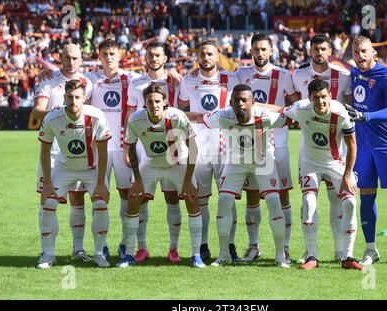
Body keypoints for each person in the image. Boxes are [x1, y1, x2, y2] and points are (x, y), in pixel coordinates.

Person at [262, 79, 363, 270]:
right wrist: (254, 104)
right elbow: (279, 110)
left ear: (330, 96)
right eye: (316, 98)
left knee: (350, 202)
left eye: (324, 97)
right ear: (309, 98)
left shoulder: (341, 113)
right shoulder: (301, 108)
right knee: (308, 203)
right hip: (310, 163)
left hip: (337, 163)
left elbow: (353, 145)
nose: (321, 101)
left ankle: (347, 256)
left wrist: (348, 175)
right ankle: (311, 256)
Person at [187, 84, 290, 268]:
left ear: (252, 102)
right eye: (236, 100)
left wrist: (263, 105)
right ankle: (223, 253)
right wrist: (170, 113)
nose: (240, 104)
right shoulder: (223, 115)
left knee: (274, 201)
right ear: (230, 102)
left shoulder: (265, 115)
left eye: (244, 100)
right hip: (235, 162)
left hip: (262, 161)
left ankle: (280, 255)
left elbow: (285, 115)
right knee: (224, 200)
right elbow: (198, 117)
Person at [346, 36, 387, 267]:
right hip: (364, 146)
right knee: (366, 194)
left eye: (364, 51)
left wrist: (365, 116)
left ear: (373, 52)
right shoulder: (354, 74)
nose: (360, 56)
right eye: (356, 52)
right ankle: (370, 249)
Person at [120, 85, 204, 268]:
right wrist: (138, 180)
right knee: (133, 198)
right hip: (151, 163)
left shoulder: (177, 117)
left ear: (165, 102)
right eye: (149, 102)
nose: (154, 105)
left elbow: (193, 148)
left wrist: (188, 181)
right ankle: (130, 254)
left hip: (178, 163)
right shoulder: (135, 119)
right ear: (144, 103)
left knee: (191, 199)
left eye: (157, 101)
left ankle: (195, 254)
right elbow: (131, 149)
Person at [235, 33, 297, 262]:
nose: (259, 54)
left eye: (263, 49)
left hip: (278, 146)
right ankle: (253, 246)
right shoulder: (240, 74)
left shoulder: (283, 75)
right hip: (250, 146)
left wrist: (257, 104)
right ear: (250, 51)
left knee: (282, 197)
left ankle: (286, 247)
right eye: (256, 49)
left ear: (271, 51)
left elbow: (291, 109)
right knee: (252, 197)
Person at [37, 79, 111, 269]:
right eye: (70, 97)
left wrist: (102, 182)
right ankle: (48, 255)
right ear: (64, 97)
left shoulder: (96, 116)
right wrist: (47, 184)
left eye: (77, 97)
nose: (73, 101)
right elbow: (44, 152)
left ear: (84, 98)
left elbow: (103, 152)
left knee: (101, 202)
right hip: (65, 167)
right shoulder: (52, 117)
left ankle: (98, 254)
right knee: (49, 202)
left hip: (92, 168)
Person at [292, 33, 353, 263]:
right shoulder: (298, 75)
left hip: (337, 148)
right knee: (309, 200)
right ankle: (310, 253)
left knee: (338, 200)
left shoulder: (343, 76)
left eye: (323, 49)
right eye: (315, 49)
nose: (319, 53)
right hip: (311, 146)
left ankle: (341, 253)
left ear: (330, 51)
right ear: (310, 51)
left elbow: (349, 108)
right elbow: (295, 107)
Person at [179, 40, 241, 263]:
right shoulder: (187, 81)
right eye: (202, 54)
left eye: (210, 54)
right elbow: (181, 112)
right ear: (197, 57)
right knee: (201, 200)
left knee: (228, 200)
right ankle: (203, 245)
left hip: (226, 147)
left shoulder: (232, 78)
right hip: (200, 149)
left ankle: (229, 246)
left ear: (218, 57)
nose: (206, 58)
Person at [33, 44, 94, 263]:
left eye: (75, 58)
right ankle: (47, 253)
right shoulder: (48, 79)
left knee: (78, 199)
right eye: (67, 57)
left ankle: (78, 249)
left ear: (81, 59)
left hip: (78, 153)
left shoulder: (90, 83)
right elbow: (38, 109)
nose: (71, 61)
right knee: (47, 199)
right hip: (51, 152)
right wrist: (61, 113)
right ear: (61, 58)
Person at [126, 41, 184, 264]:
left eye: (158, 55)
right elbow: (130, 114)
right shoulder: (136, 83)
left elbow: (200, 75)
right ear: (145, 57)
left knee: (171, 197)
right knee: (139, 196)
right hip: (143, 142)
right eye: (150, 54)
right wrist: (126, 146)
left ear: (165, 58)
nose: (153, 58)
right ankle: (141, 248)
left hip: (170, 141)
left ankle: (174, 249)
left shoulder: (175, 80)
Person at [84, 39, 142, 261]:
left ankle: (127, 245)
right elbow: (69, 82)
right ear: (99, 56)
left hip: (123, 148)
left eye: (112, 53)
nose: (108, 57)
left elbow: (158, 80)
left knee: (127, 196)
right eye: (105, 53)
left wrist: (174, 71)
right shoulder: (91, 79)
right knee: (99, 196)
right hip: (99, 148)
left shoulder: (132, 79)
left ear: (120, 55)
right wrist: (47, 75)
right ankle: (102, 246)